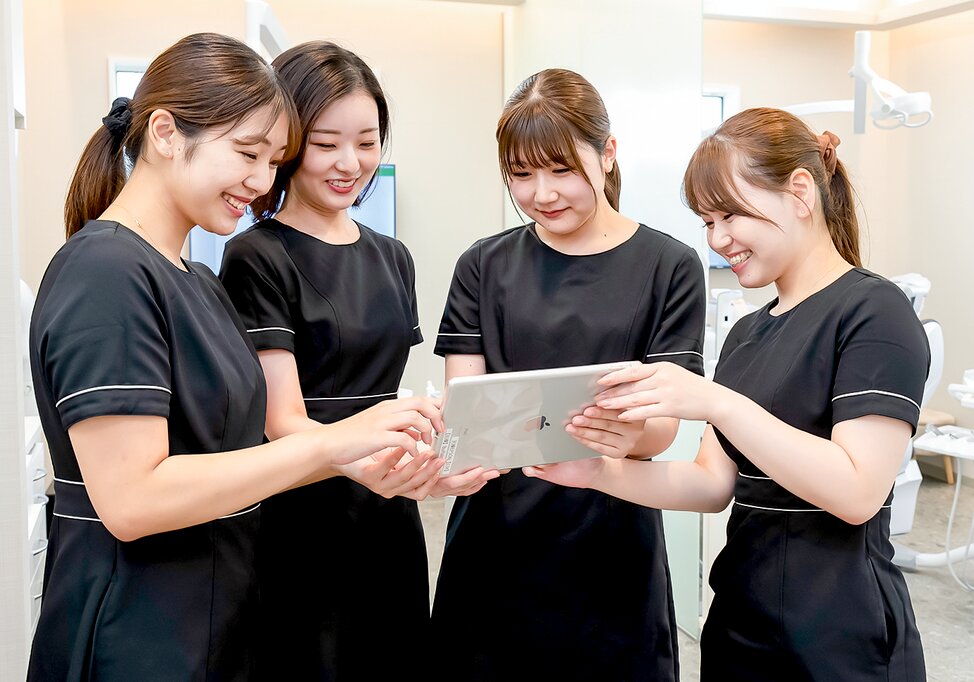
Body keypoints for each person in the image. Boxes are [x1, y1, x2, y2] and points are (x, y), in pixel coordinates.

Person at [27, 33, 441, 681]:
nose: (261, 179)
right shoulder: (104, 270)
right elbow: (132, 499)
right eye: (248, 152)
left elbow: (247, 460)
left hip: (221, 620)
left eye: (274, 159)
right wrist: (335, 446)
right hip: (138, 632)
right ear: (164, 133)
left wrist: (392, 461)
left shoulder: (197, 282)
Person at [524, 107, 929, 681]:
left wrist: (717, 401)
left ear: (800, 191)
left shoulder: (873, 311)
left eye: (730, 216)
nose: (719, 240)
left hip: (841, 631)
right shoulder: (749, 331)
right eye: (707, 222)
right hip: (743, 620)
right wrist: (598, 473)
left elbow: (858, 489)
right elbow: (714, 484)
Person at [217, 40, 483, 679]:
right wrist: (368, 462)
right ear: (288, 144)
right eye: (327, 141)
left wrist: (434, 467)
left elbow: (390, 397)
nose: (349, 162)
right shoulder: (258, 255)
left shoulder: (394, 258)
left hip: (386, 514)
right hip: (302, 514)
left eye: (367, 141)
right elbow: (283, 420)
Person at [430, 68, 706, 681]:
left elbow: (662, 425)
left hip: (611, 532)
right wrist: (446, 461)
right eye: (521, 174)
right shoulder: (482, 264)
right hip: (495, 533)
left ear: (607, 155)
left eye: (560, 170)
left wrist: (609, 441)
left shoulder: (670, 266)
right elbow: (462, 410)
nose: (541, 193)